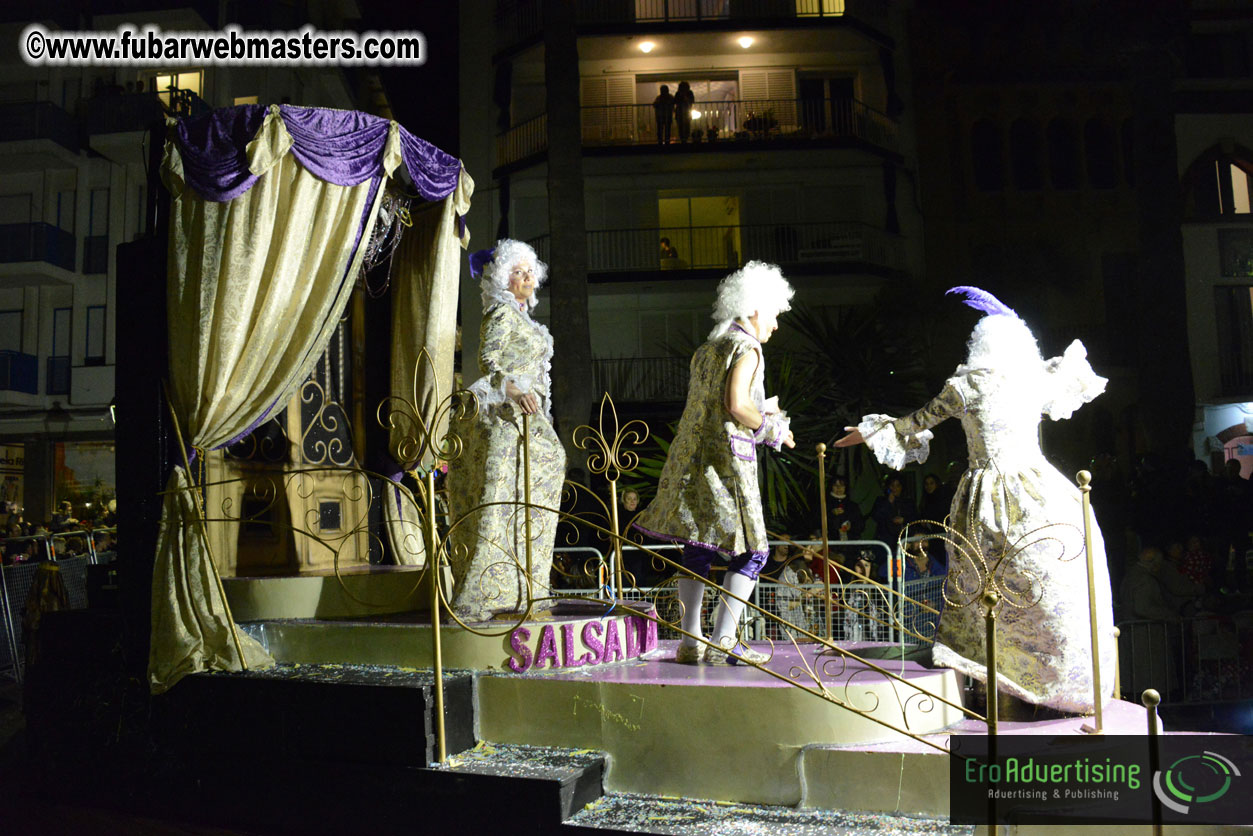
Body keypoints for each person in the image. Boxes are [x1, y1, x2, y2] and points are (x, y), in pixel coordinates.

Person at [835, 286, 1117, 714]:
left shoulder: (967, 385)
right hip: (1044, 489)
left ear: (979, 344)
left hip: (990, 496)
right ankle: (1057, 682)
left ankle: (999, 683)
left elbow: (914, 422)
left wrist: (869, 432)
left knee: (989, 586)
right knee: (1044, 581)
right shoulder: (1031, 380)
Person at [634, 262, 796, 664]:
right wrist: (773, 429)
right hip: (726, 466)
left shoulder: (707, 348)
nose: (775, 325)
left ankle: (690, 643)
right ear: (756, 308)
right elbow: (736, 404)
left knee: (697, 549)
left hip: (690, 461)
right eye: (775, 314)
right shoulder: (747, 347)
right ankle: (724, 640)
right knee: (754, 552)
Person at [446, 240, 567, 622]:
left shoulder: (522, 317)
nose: (527, 276)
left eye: (529, 270)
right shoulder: (500, 311)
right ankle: (490, 590)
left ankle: (528, 587)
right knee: (503, 500)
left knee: (533, 497)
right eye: (517, 271)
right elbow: (487, 360)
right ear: (503, 280)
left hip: (529, 418)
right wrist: (514, 388)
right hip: (508, 417)